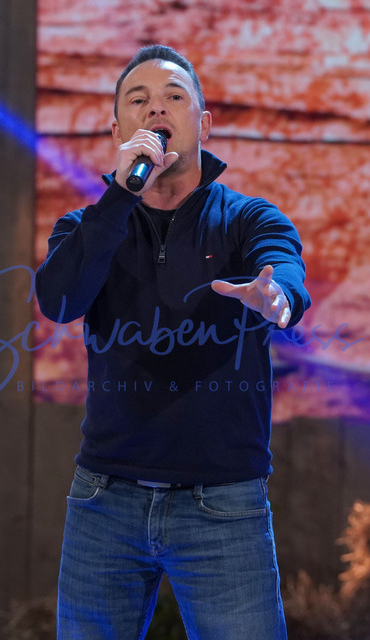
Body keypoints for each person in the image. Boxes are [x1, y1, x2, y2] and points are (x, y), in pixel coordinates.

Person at [36, 44, 311, 640]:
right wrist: (120, 195)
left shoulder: (248, 220)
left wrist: (276, 299)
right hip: (105, 498)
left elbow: (284, 271)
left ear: (203, 124)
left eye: (173, 97)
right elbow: (58, 301)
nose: (155, 108)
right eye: (138, 100)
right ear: (118, 130)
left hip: (223, 502)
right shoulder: (86, 228)